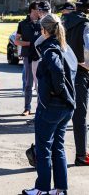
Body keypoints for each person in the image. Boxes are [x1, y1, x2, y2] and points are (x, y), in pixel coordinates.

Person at [22, 14, 76, 195]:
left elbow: (57, 71)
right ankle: (60, 189)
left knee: (43, 147)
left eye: (41, 29)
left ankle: (41, 189)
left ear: (44, 30)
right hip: (65, 106)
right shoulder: (63, 46)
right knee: (57, 147)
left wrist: (56, 91)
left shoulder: (51, 49)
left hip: (53, 106)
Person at [63, 0, 89, 166]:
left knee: (64, 115)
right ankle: (81, 155)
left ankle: (43, 154)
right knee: (80, 116)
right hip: (81, 72)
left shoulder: (63, 22)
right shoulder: (85, 25)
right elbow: (87, 49)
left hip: (65, 71)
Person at [15, 1, 41, 116]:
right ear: (32, 10)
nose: (40, 11)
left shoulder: (43, 23)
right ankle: (27, 108)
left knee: (40, 84)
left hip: (41, 57)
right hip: (28, 57)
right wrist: (30, 43)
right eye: (38, 9)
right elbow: (16, 41)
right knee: (28, 84)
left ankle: (40, 108)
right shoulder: (22, 24)